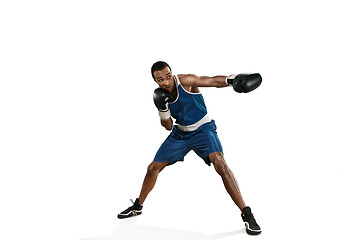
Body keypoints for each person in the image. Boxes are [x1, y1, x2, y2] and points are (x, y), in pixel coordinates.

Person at [117, 61, 262, 235]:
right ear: (155, 80)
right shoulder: (160, 95)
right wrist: (162, 109)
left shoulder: (186, 81)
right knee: (152, 168)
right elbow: (168, 126)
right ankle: (137, 206)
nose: (166, 82)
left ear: (172, 73)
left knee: (220, 163)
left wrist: (232, 80)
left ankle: (246, 213)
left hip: (203, 130)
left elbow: (211, 81)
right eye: (160, 79)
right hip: (180, 134)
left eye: (168, 76)